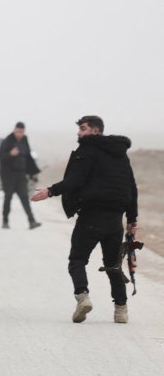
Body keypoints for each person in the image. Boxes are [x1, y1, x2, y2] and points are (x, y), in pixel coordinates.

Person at [31, 115, 138, 324]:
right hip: (115, 220)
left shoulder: (88, 149)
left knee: (77, 260)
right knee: (113, 266)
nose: (79, 133)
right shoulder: (121, 154)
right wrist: (132, 220)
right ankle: (121, 310)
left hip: (91, 216)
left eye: (83, 128)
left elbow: (75, 179)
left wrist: (50, 191)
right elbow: (131, 188)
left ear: (95, 131)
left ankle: (83, 297)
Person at [0, 122, 41, 229]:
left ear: (24, 132)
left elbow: (28, 157)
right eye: (17, 131)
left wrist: (33, 173)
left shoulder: (24, 140)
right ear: (14, 130)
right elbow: (2, 157)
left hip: (21, 175)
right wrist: (10, 154)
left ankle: (32, 221)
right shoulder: (7, 141)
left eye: (21, 132)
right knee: (8, 198)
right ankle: (5, 221)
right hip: (8, 175)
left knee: (24, 198)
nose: (19, 134)